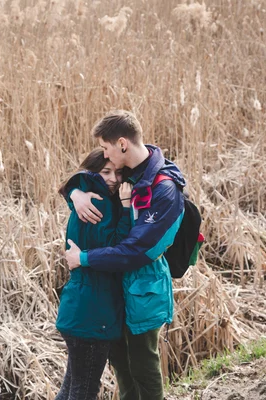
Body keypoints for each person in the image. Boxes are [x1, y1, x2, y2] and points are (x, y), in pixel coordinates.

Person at [64, 110, 186, 400]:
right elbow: (89, 174)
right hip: (115, 289)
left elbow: (135, 251)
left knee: (143, 365)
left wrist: (84, 259)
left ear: (121, 144)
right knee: (121, 364)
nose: (104, 155)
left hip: (144, 287)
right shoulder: (128, 171)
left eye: (106, 147)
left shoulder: (164, 188)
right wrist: (74, 193)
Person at [55, 148, 133, 400]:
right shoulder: (100, 203)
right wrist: (125, 207)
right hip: (93, 312)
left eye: (118, 172)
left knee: (72, 387)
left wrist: (74, 192)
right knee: (84, 390)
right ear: (93, 173)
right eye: (106, 172)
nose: (113, 179)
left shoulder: (86, 196)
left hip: (80, 306)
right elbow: (117, 248)